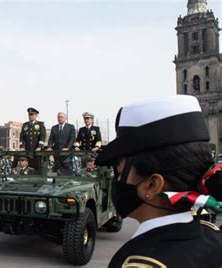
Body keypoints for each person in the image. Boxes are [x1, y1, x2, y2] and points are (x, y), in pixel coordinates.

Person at [95, 95, 222, 267]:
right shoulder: (211, 235)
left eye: (118, 172)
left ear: (152, 185)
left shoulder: (144, 262)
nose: (116, 180)